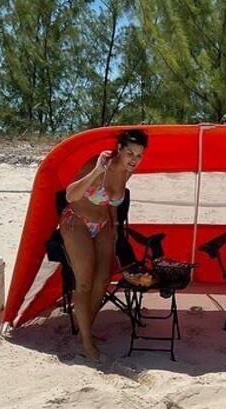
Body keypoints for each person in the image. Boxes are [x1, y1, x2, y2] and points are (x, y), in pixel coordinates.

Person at [61, 128, 148, 360]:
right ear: (119, 149)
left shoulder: (127, 172)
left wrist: (117, 225)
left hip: (102, 225)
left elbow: (112, 201)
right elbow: (70, 195)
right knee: (85, 283)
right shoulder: (99, 164)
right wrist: (96, 172)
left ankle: (85, 330)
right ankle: (86, 342)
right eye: (130, 153)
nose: (134, 159)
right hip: (76, 221)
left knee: (104, 280)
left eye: (139, 155)